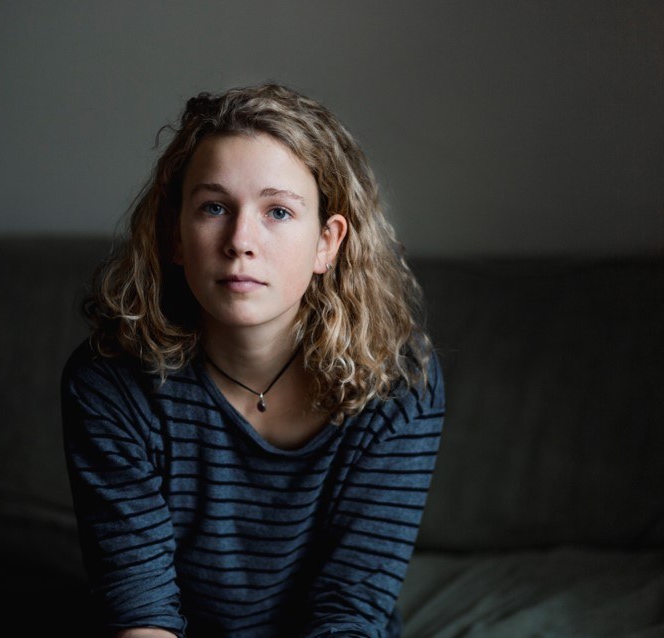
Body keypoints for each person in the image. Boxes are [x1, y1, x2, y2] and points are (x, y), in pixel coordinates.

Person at [61, 83, 445, 638]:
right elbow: (140, 616)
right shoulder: (109, 384)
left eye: (279, 212)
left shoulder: (400, 382)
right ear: (175, 234)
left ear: (327, 243)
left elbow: (348, 615)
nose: (241, 240)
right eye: (214, 207)